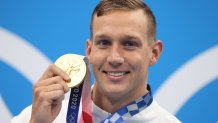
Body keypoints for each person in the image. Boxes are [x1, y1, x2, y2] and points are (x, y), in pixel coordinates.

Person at [11, 0, 181, 122]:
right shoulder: (38, 117)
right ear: (89, 50)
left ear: (154, 53)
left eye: (129, 44)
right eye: (104, 43)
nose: (114, 58)